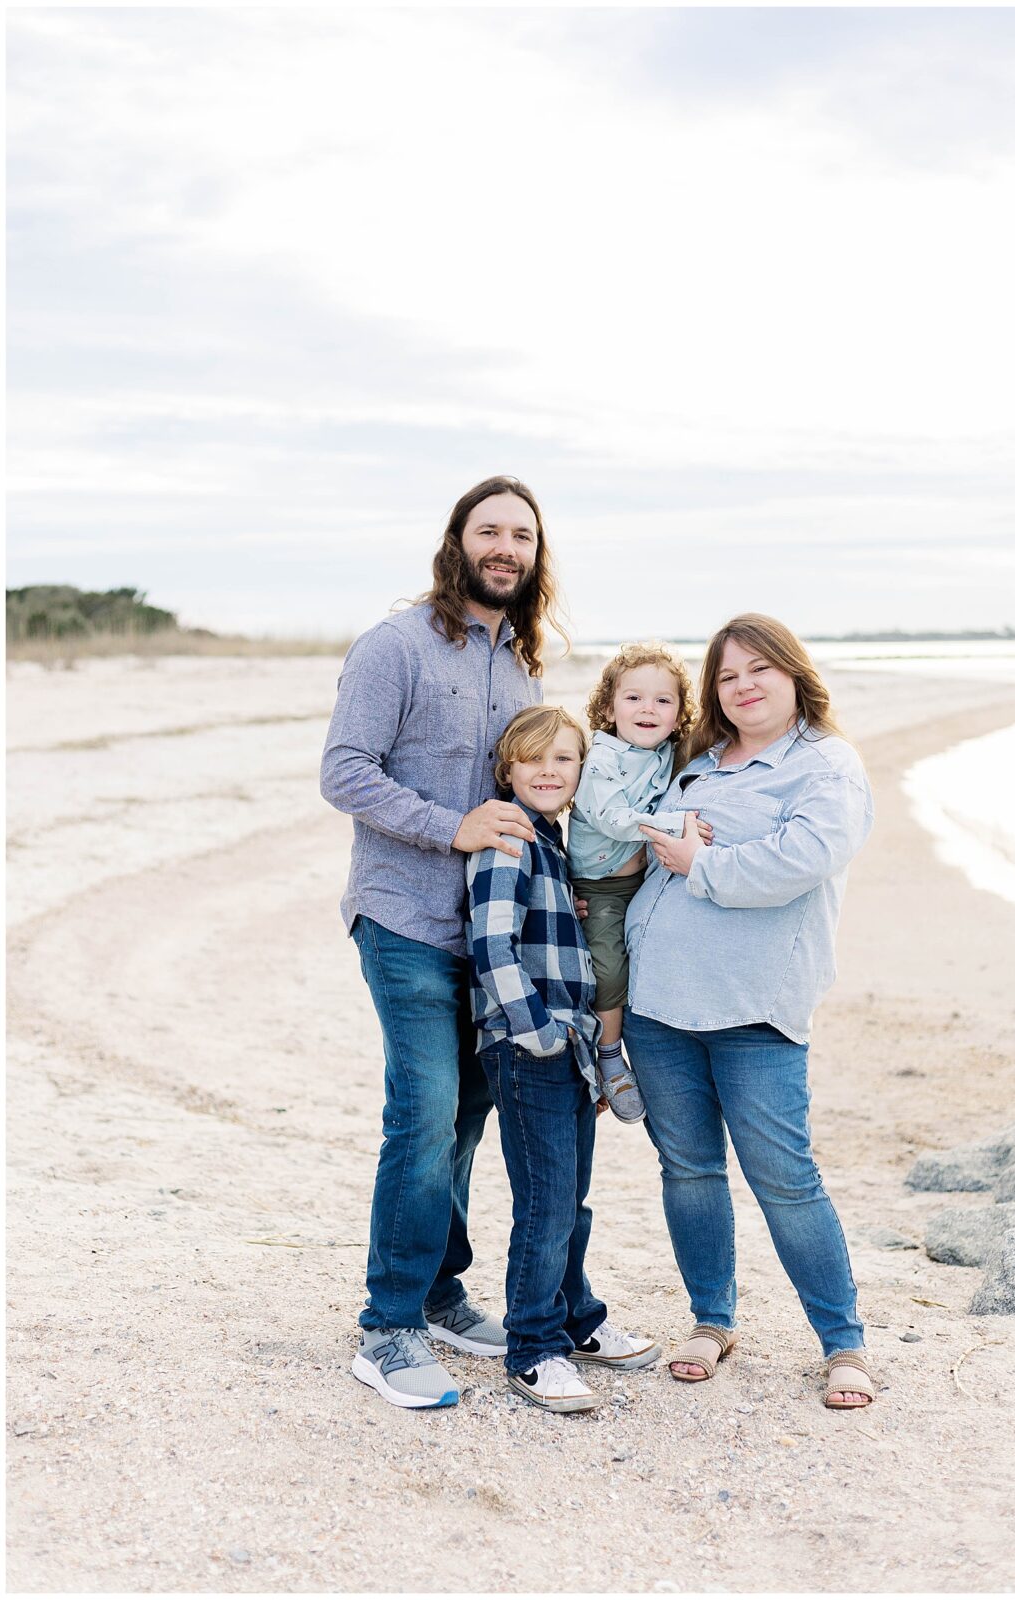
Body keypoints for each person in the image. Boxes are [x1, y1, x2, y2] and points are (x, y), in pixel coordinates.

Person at [320, 475, 567, 1410]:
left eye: (522, 536)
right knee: (421, 1115)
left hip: (490, 932)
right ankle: (386, 1329)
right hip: (403, 916)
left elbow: (533, 793)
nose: (506, 547)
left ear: (535, 558)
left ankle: (437, 1293)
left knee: (467, 1116)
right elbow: (343, 772)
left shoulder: (522, 668)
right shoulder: (394, 646)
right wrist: (447, 825)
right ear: (457, 541)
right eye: (490, 531)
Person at [624, 614, 877, 1409]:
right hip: (657, 1005)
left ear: (794, 675)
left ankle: (842, 1345)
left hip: (754, 1011)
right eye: (728, 675)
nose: (743, 686)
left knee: (785, 1180)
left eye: (759, 669)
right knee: (689, 1172)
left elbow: (802, 861)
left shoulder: (825, 766)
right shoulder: (696, 762)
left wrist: (702, 860)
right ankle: (711, 1319)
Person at [467, 704, 661, 1412]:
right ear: (507, 770)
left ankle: (578, 1320)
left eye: (564, 759)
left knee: (568, 1200)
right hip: (529, 1048)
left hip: (569, 1046)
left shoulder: (553, 843)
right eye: (532, 760)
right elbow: (491, 946)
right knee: (545, 1204)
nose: (548, 772)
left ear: (583, 770)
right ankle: (534, 1348)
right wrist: (539, 1032)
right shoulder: (508, 841)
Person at [567, 643, 708, 1122]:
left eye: (663, 701)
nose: (648, 708)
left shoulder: (670, 752)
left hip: (644, 882)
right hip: (600, 885)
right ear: (609, 708)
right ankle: (609, 1058)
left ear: (677, 716)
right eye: (633, 698)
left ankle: (663, 1052)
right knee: (608, 971)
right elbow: (611, 819)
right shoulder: (602, 758)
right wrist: (676, 824)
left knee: (655, 963)